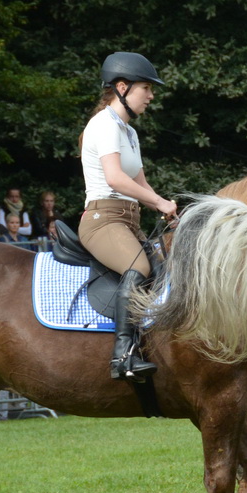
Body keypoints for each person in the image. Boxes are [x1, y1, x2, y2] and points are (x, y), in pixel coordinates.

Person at [80, 51, 177, 379]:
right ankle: (122, 354)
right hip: (102, 220)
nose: (151, 96)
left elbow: (140, 183)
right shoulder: (103, 124)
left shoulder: (129, 133)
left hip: (128, 220)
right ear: (122, 87)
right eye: (146, 88)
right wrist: (160, 204)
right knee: (138, 266)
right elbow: (115, 179)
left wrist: (165, 205)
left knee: (164, 271)